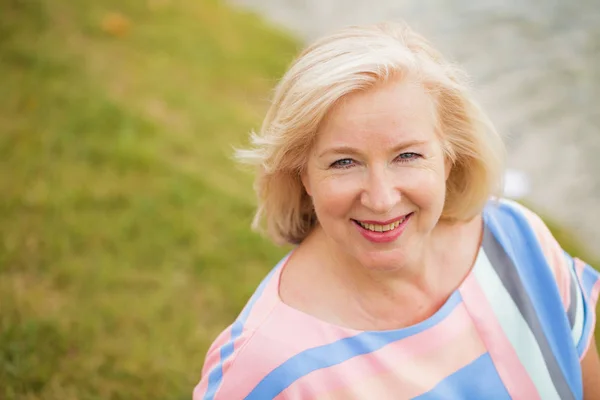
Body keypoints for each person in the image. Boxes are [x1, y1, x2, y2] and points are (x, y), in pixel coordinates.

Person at [194, 22, 600, 399]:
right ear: (302, 175)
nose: (382, 198)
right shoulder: (266, 367)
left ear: (448, 157)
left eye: (406, 155)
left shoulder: (519, 242)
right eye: (344, 162)